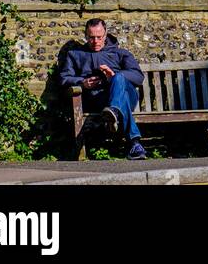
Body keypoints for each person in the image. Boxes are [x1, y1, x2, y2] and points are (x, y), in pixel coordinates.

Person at [59, 18, 147, 159]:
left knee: (119, 79)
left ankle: (114, 111)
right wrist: (82, 82)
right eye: (91, 38)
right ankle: (134, 143)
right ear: (86, 36)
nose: (95, 41)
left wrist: (114, 77)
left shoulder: (120, 53)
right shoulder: (75, 55)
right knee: (121, 99)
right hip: (97, 99)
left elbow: (138, 76)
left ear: (105, 35)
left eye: (99, 37)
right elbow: (64, 78)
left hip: (128, 95)